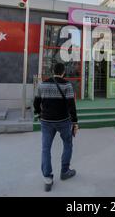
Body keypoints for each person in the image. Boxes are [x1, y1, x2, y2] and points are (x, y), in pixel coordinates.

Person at [34, 63, 78, 192]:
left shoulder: (42, 84)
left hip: (46, 121)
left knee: (46, 149)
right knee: (68, 144)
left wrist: (39, 114)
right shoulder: (67, 85)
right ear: (63, 72)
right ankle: (65, 171)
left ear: (52, 71)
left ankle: (47, 178)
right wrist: (75, 122)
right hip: (63, 121)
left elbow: (36, 102)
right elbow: (71, 106)